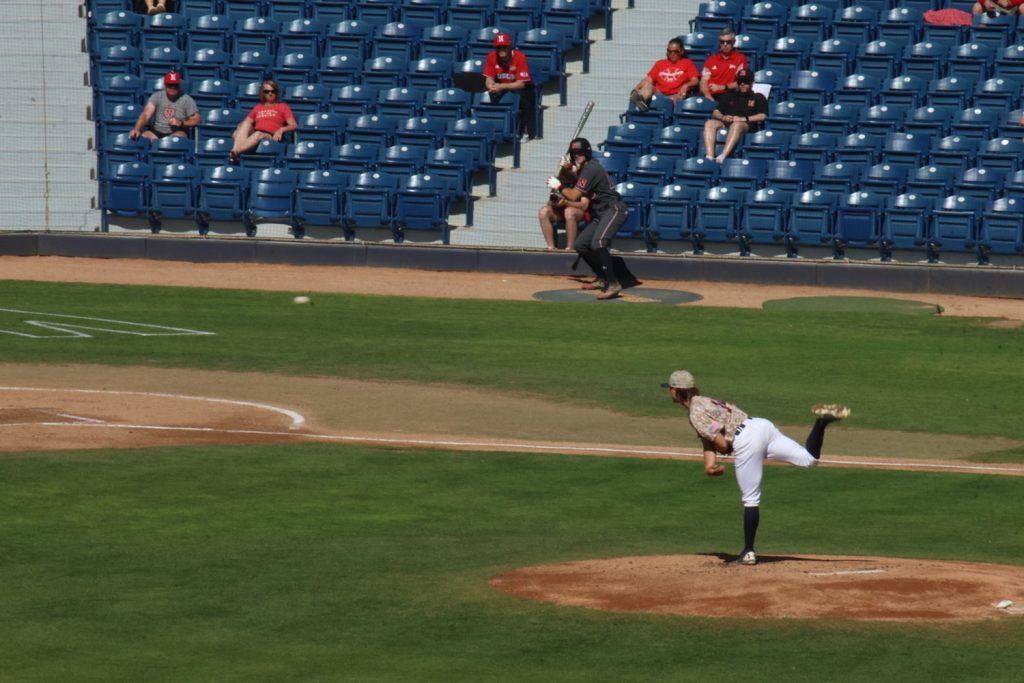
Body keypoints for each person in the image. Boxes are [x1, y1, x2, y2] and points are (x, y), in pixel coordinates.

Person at [663, 370, 850, 566]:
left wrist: (722, 449)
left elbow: (721, 443)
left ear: (675, 391)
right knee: (809, 460)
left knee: (750, 499)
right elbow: (709, 438)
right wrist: (709, 465)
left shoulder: (695, 414)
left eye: (669, 389)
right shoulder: (705, 401)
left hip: (746, 441)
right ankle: (821, 422)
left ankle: (748, 552)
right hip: (761, 426)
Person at [546, 137, 634, 300]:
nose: (577, 156)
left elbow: (574, 194)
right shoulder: (585, 169)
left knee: (599, 242)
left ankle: (613, 284)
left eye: (580, 153)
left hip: (614, 209)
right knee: (581, 244)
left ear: (586, 153)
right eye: (574, 154)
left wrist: (558, 185)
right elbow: (577, 176)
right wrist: (568, 167)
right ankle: (602, 277)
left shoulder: (591, 169)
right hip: (600, 213)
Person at [702, 69, 767, 163]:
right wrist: (723, 117)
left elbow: (763, 115)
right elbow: (716, 112)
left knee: (737, 124)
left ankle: (723, 156)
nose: (743, 84)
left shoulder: (758, 97)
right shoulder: (728, 96)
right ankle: (710, 156)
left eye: (746, 81)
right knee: (709, 123)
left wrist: (743, 119)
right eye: (740, 81)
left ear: (752, 82)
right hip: (727, 121)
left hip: (746, 124)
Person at [483, 33, 537, 140]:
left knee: (522, 98)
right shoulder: (491, 56)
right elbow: (488, 78)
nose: (501, 49)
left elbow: (521, 84)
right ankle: (492, 129)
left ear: (509, 46)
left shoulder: (520, 57)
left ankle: (524, 130)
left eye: (504, 46)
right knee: (485, 96)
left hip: (520, 88)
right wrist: (490, 86)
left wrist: (501, 86)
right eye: (498, 47)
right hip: (501, 86)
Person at [230, 79, 297, 164]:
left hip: (270, 136)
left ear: (276, 93)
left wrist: (281, 130)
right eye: (267, 91)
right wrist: (240, 129)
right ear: (263, 93)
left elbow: (293, 125)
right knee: (243, 127)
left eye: (273, 91)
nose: (270, 93)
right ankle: (235, 152)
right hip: (256, 133)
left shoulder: (283, 106)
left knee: (257, 134)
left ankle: (236, 152)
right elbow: (246, 123)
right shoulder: (258, 107)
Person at [629, 38, 700, 111]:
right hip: (660, 94)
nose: (672, 54)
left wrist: (686, 85)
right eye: (669, 51)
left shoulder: (687, 63)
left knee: (677, 99)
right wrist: (637, 88)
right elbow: (648, 79)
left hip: (676, 95)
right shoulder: (660, 63)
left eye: (676, 51)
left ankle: (671, 119)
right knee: (646, 83)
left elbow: (695, 81)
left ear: (681, 52)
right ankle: (639, 99)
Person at [129, 71, 200, 141]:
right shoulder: (156, 96)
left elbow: (196, 119)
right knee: (143, 137)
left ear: (178, 85)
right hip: (157, 131)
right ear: (165, 85)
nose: (172, 87)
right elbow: (146, 114)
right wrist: (137, 129)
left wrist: (181, 123)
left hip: (177, 131)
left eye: (175, 85)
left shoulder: (187, 99)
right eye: (170, 85)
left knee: (179, 138)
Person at [539, 155, 587, 250]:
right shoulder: (558, 181)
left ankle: (570, 248)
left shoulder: (582, 181)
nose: (563, 173)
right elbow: (550, 202)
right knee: (543, 211)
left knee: (569, 211)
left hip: (578, 213)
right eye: (562, 170)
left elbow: (584, 206)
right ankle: (551, 247)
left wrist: (566, 202)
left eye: (566, 170)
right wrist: (553, 202)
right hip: (560, 212)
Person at [699, 28, 748, 100]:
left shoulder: (740, 59)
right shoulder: (711, 60)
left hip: (730, 95)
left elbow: (741, 82)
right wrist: (708, 96)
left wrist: (721, 87)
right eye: (722, 42)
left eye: (728, 42)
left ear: (733, 42)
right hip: (711, 96)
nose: (725, 44)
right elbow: (703, 81)